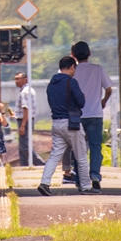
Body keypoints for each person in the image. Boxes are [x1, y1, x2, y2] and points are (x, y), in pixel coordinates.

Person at [38, 56, 92, 195]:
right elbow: (81, 102)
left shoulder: (51, 84)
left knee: (55, 156)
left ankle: (44, 183)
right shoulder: (71, 82)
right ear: (72, 67)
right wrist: (82, 97)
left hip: (56, 123)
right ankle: (86, 186)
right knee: (81, 156)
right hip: (71, 123)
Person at [70, 40, 113, 191]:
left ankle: (80, 180)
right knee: (95, 147)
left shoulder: (72, 70)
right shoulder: (98, 69)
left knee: (78, 148)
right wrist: (103, 101)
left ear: (73, 55)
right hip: (95, 114)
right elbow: (109, 89)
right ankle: (95, 176)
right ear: (89, 53)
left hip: (77, 116)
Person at [13, 71, 44, 166]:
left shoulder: (25, 92)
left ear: (25, 79)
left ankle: (40, 163)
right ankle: (24, 166)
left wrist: (22, 125)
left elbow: (26, 109)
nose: (16, 81)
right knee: (22, 146)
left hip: (25, 120)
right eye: (15, 79)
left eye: (18, 79)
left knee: (25, 146)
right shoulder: (28, 90)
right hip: (26, 119)